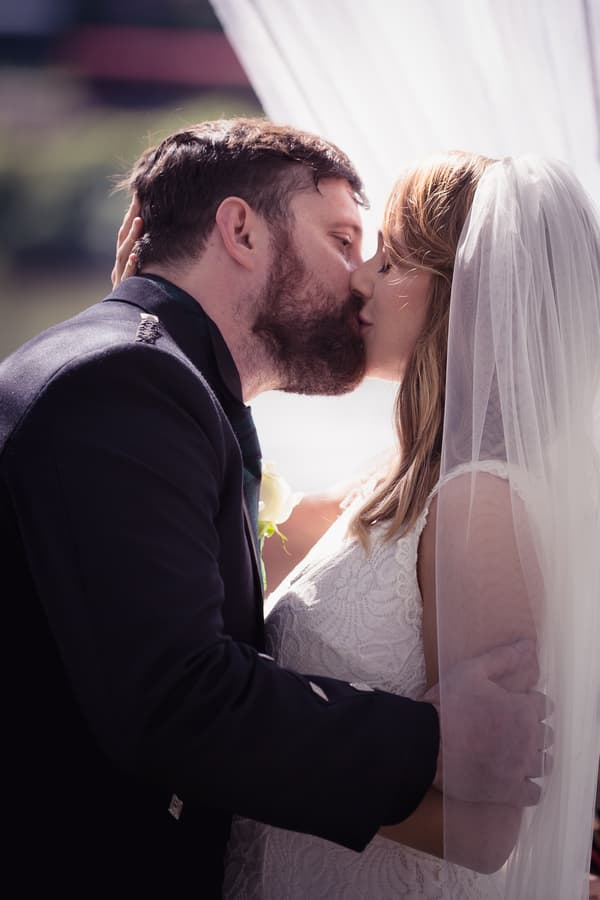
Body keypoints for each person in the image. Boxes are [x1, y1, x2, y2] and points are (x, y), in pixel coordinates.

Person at [0, 119, 546, 899]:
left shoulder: (144, 379)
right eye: (344, 238)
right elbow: (177, 698)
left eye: (379, 255)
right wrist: (434, 743)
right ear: (241, 230)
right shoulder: (125, 383)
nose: (358, 278)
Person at [217, 152, 600, 898]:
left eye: (392, 262)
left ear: (468, 301)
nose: (360, 278)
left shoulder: (480, 502)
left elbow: (486, 836)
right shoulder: (391, 483)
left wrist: (259, 760)